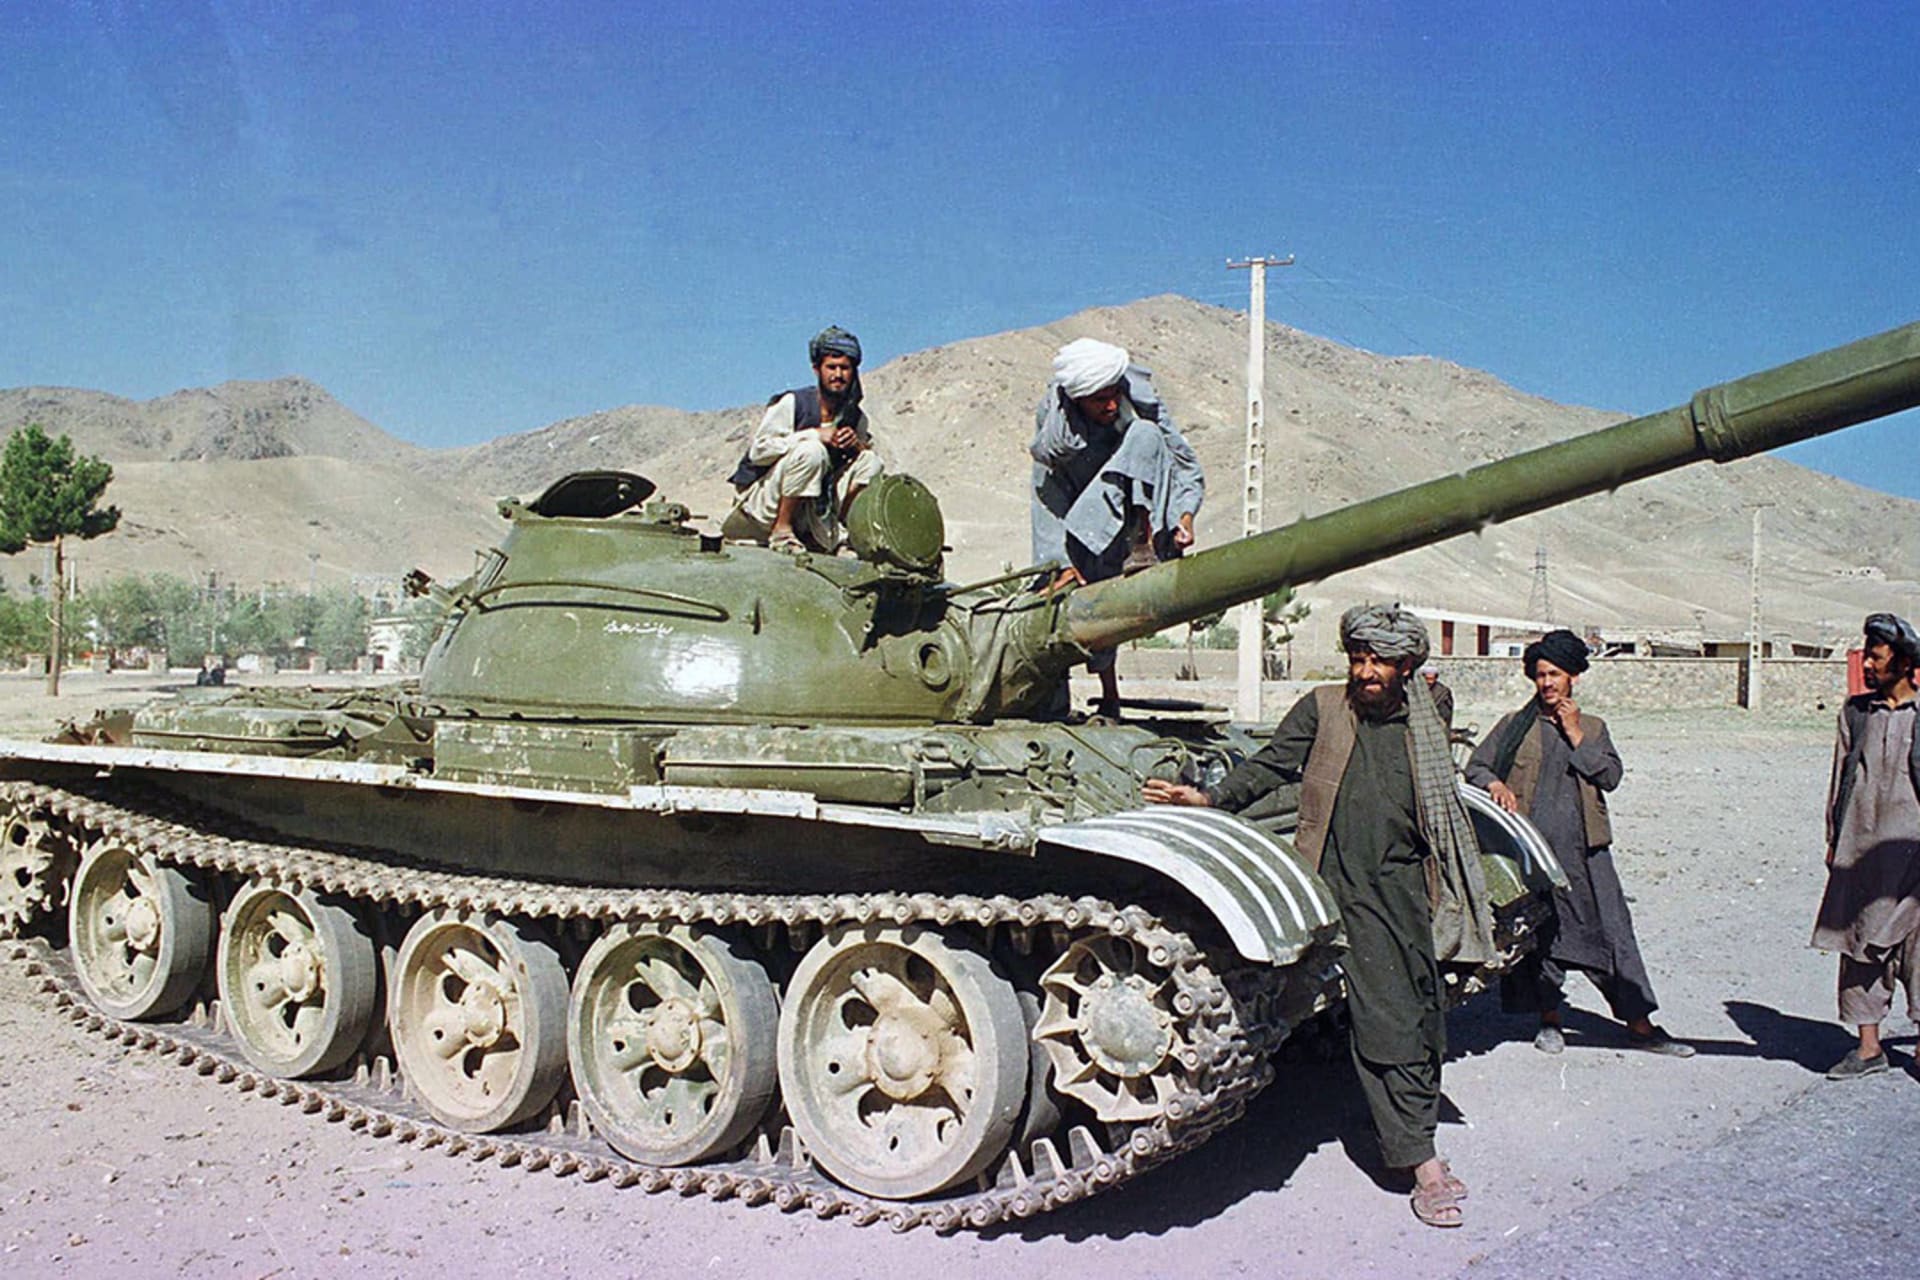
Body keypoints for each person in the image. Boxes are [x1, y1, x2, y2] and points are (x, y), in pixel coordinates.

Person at [1143, 604, 1493, 1229]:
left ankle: (1402, 1120)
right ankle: (1421, 1162)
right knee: (1389, 1020)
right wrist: (1211, 798)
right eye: (1358, 659)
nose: (1365, 672)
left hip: (1412, 886)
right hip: (1346, 887)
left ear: (1407, 666)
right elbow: (1273, 763)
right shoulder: (1326, 708)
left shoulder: (1425, 715)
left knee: (1422, 1007)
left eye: (1379, 662)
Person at [1465, 629, 1693, 1058]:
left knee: (1613, 934)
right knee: (1541, 939)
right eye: (1540, 675)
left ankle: (1641, 1027)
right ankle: (1549, 1021)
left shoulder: (1592, 727)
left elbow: (1610, 776)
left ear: (1574, 677)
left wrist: (1574, 735)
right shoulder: (1514, 726)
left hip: (1585, 854)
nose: (1547, 683)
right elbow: (1476, 766)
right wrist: (1494, 781)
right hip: (1530, 855)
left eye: (1555, 674)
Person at [1031, 337, 1204, 717]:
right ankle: (1091, 698)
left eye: (1114, 395)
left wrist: (1184, 517)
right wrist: (1056, 562)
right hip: (1084, 530)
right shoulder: (1056, 433)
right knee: (1068, 613)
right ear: (1077, 399)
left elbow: (1185, 467)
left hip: (1139, 531)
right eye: (1098, 400)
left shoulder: (1141, 411)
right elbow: (1046, 497)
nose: (1111, 406)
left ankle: (1142, 543)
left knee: (1145, 435)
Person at [1811, 612, 1920, 1079]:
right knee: (1858, 942)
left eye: (1876, 658)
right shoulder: (1855, 713)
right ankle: (1869, 1048)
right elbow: (1840, 780)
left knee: (1918, 948)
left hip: (1913, 852)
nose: (1868, 666)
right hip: (1860, 848)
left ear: (1902, 662)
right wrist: (1835, 839)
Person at [723, 325, 883, 552]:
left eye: (845, 368)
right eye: (831, 367)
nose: (838, 375)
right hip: (766, 503)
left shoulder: (854, 417)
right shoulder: (793, 403)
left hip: (815, 509)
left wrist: (856, 446)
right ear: (817, 370)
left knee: (871, 461)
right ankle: (782, 530)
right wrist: (814, 435)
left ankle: (843, 531)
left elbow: (862, 463)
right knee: (812, 451)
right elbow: (759, 452)